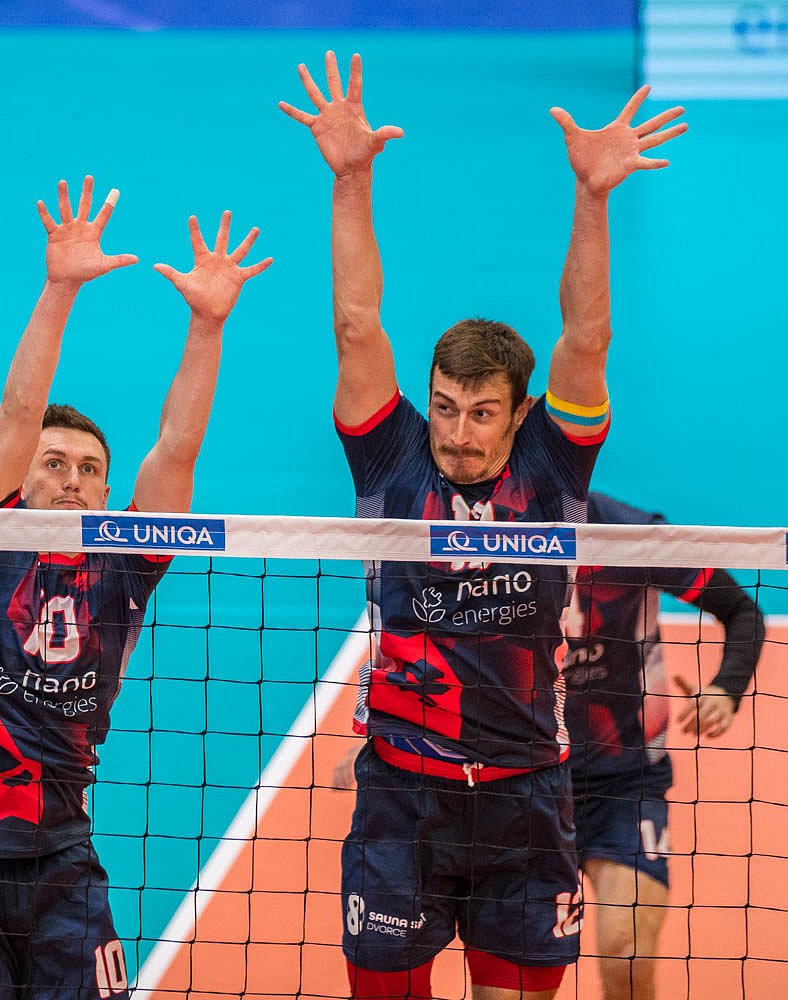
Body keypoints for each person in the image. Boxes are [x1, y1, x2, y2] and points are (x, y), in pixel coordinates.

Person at [279, 52, 686, 998]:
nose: (458, 433)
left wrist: (593, 196)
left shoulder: (555, 465)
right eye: (445, 407)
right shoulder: (391, 458)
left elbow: (587, 339)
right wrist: (350, 179)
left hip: (526, 799)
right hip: (401, 798)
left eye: (481, 412)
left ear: (519, 412)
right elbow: (356, 324)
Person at [0, 175, 271, 999]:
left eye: (89, 469)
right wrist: (59, 289)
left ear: (107, 492)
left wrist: (207, 326)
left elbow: (176, 448)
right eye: (54, 462)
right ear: (22, 477)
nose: (72, 479)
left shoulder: (125, 568)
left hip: (62, 854)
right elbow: (16, 411)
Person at [565, 492, 764, 1000]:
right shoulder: (489, 536)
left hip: (625, 781)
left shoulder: (631, 534)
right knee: (521, 980)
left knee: (626, 953)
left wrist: (725, 689)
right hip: (522, 784)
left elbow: (741, 610)